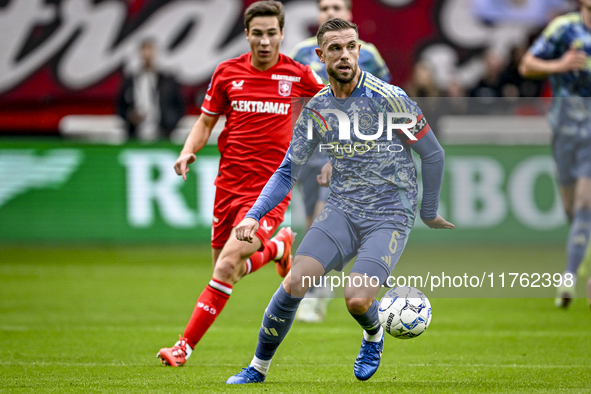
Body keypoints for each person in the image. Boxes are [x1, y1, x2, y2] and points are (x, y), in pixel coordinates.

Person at [226, 18, 454, 384]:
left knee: (356, 299)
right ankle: (257, 368)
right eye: (335, 48)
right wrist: (254, 215)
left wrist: (427, 212)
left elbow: (433, 154)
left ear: (359, 50)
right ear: (321, 55)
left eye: (351, 47)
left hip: (389, 213)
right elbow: (287, 171)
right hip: (343, 209)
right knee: (294, 283)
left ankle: (373, 333)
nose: (345, 55)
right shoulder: (316, 108)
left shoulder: (390, 98)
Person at [156, 1, 325, 367]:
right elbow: (204, 123)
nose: (265, 41)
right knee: (226, 268)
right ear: (247, 34)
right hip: (228, 186)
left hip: (270, 191)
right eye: (258, 34)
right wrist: (187, 151)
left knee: (225, 266)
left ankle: (183, 347)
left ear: (282, 33)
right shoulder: (227, 73)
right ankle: (279, 247)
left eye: (272, 33)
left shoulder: (298, 74)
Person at [289, 0, 391, 323]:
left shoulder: (369, 54)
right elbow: (290, 100)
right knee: (311, 221)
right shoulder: (302, 53)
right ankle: (325, 285)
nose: (330, 12)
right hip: (311, 149)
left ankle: (316, 295)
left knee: (321, 219)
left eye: (338, 6)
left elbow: (385, 98)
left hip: (350, 151)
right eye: (324, 7)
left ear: (350, 14)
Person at [519, 1, 591, 308]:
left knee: (585, 202)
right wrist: (558, 65)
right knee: (572, 208)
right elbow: (526, 65)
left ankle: (570, 277)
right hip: (564, 130)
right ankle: (583, 261)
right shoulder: (564, 28)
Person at [117, 39, 185, 141]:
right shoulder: (131, 80)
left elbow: (179, 105)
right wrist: (129, 116)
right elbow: (120, 105)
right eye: (144, 50)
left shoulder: (167, 81)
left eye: (150, 50)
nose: (147, 55)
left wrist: (170, 123)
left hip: (162, 133)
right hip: (136, 133)